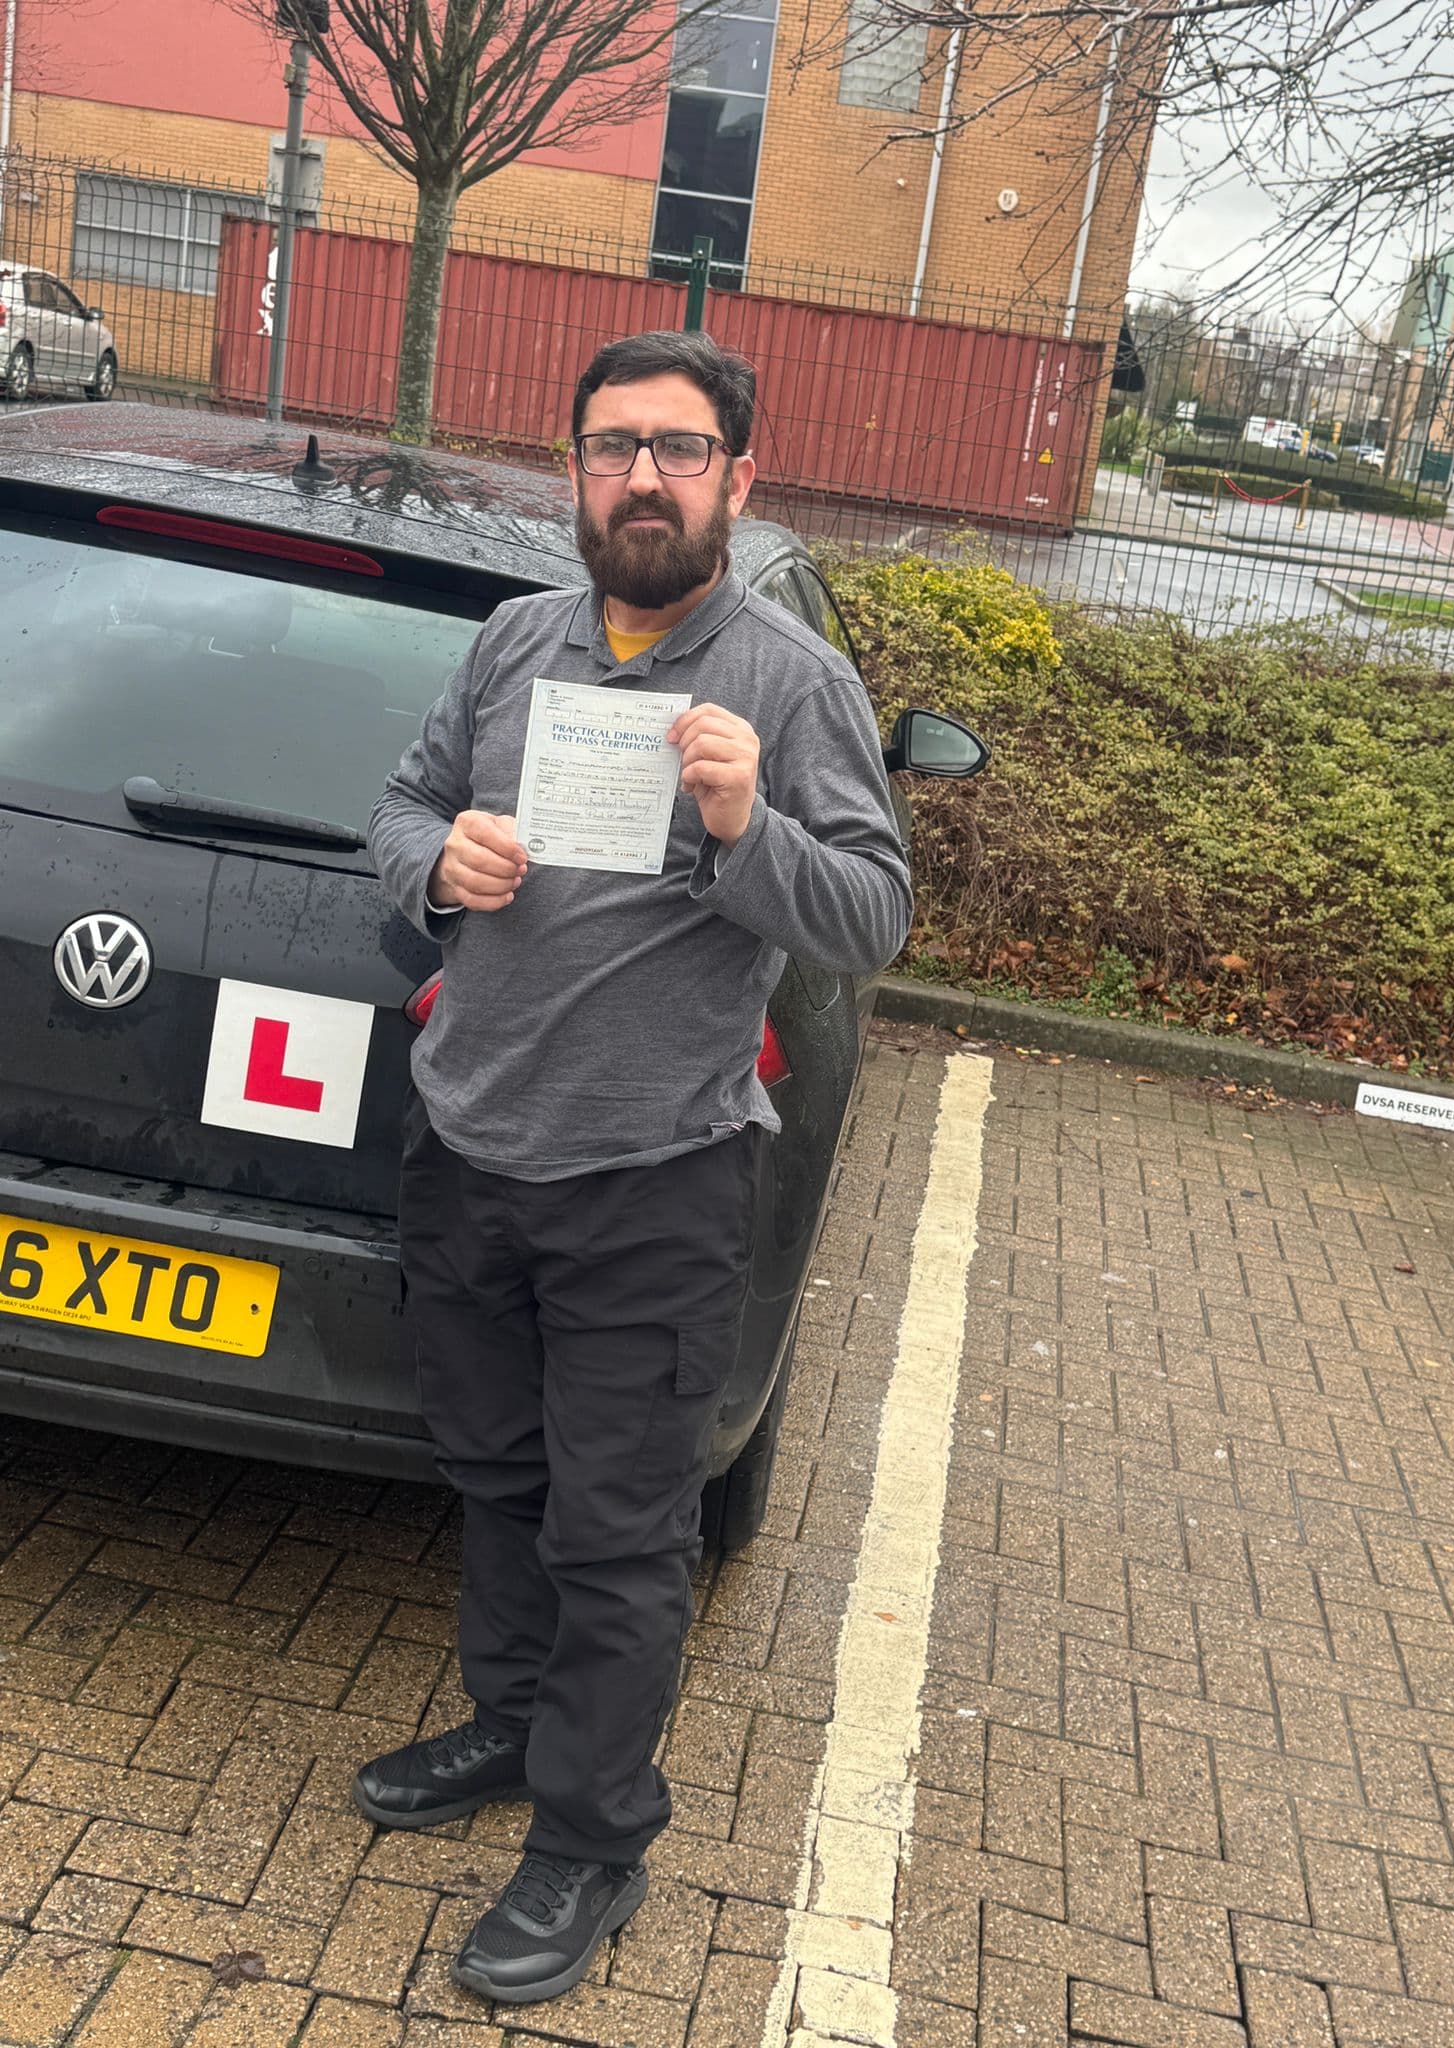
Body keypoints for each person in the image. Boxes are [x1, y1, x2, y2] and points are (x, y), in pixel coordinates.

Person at [360, 330, 912, 2008]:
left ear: (739, 478)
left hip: (653, 1180)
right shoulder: (518, 640)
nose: (645, 480)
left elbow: (875, 917)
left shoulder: (791, 685)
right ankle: (517, 1730)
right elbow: (391, 817)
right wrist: (437, 865)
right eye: (614, 447)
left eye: (681, 451)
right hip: (472, 1150)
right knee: (500, 1477)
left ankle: (594, 1841)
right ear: (574, 466)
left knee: (618, 1531)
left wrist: (754, 832)